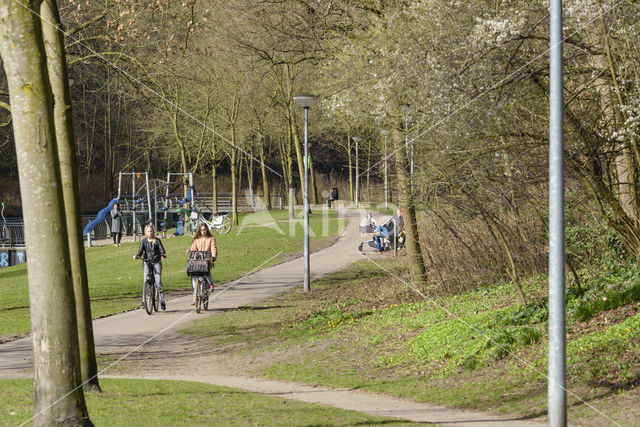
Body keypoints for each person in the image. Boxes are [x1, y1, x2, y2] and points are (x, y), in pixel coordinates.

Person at [133, 224, 167, 310]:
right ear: (146, 232)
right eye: (148, 231)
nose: (150, 233)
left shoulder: (157, 240)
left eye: (151, 231)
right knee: (146, 279)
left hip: (156, 262)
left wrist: (163, 254)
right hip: (147, 262)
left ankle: (162, 300)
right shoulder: (144, 241)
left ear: (153, 232)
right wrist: (137, 255)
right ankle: (144, 301)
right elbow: (140, 250)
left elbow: (161, 249)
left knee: (158, 281)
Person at [186, 223, 217, 305]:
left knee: (206, 272)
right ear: (199, 230)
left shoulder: (211, 239)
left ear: (207, 230)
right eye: (201, 230)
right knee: (194, 277)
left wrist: (213, 257)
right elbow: (193, 249)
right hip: (197, 262)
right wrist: (190, 251)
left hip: (206, 260)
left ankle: (210, 284)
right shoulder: (196, 240)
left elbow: (213, 248)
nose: (203, 231)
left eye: (204, 230)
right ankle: (194, 297)